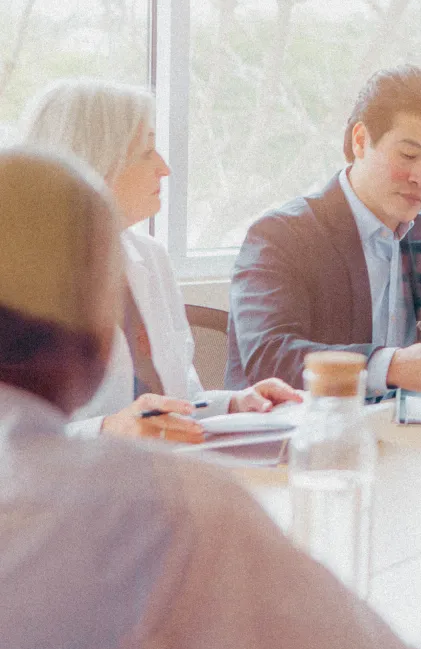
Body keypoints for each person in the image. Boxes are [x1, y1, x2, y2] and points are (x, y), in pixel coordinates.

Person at [0, 148, 421, 649]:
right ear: (96, 317)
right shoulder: (161, 504)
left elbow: (173, 393)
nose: (163, 164)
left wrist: (231, 402)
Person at [227, 65, 421, 400]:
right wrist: (392, 366)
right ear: (361, 140)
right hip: (300, 440)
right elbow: (269, 357)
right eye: (408, 155)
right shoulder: (282, 235)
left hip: (402, 440)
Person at [21, 79, 301, 443]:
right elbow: (13, 443)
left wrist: (234, 404)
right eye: (147, 152)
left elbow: (178, 399)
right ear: (94, 162)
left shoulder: (149, 259)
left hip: (159, 476)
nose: (164, 168)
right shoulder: (17, 279)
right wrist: (107, 430)